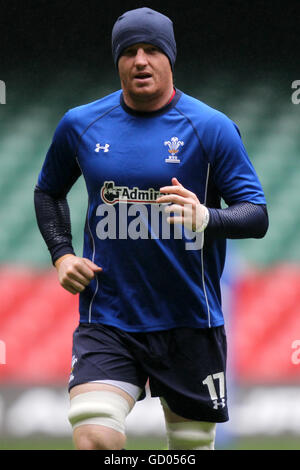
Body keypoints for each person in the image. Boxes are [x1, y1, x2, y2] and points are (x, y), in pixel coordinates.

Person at [34, 7, 268, 450]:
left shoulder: (212, 128)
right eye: (130, 51)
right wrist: (62, 253)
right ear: (118, 61)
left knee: (190, 449)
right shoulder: (81, 124)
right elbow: (48, 192)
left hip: (190, 321)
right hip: (108, 317)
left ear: (170, 58)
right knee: (93, 436)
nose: (141, 60)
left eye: (153, 49)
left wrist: (208, 218)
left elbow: (256, 215)